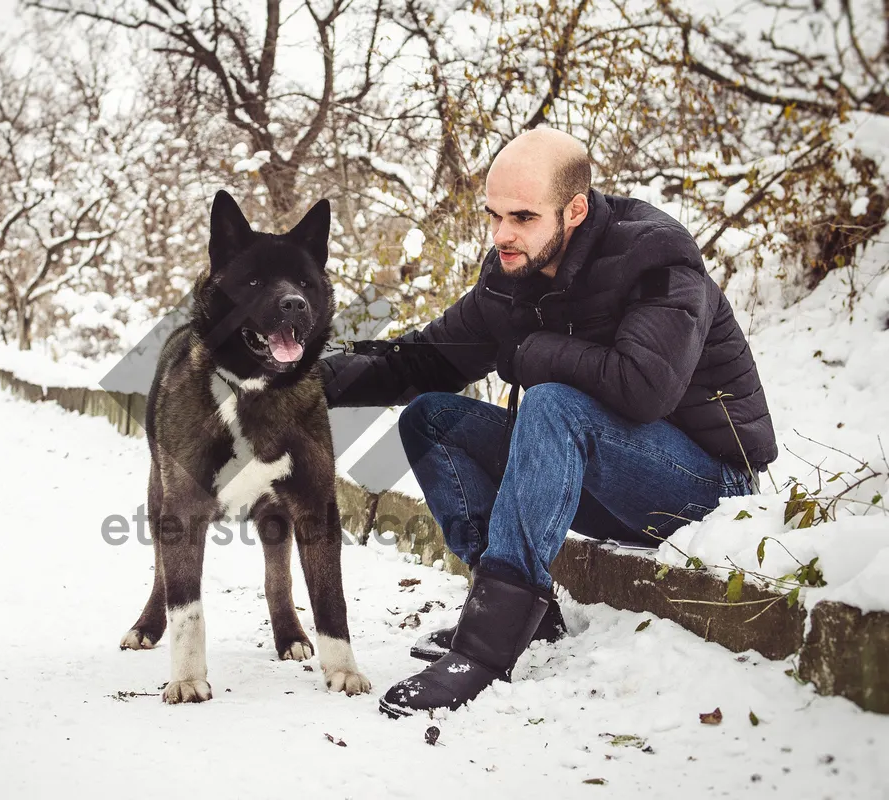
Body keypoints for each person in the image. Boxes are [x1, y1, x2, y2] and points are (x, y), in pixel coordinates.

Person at [318, 128, 778, 719]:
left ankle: (483, 652)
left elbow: (644, 388)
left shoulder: (657, 258)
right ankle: (519, 615)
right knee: (432, 417)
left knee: (552, 402)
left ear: (575, 210)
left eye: (522, 217)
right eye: (494, 217)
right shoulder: (512, 274)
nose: (502, 235)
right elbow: (425, 358)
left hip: (708, 488)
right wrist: (307, 378)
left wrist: (529, 354)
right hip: (599, 478)